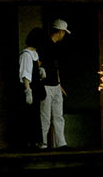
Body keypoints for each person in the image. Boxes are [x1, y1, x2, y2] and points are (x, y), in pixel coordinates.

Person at [20, 19, 71, 149]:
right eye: (63, 32)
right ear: (60, 32)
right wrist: (31, 87)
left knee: (58, 116)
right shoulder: (40, 48)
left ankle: (61, 143)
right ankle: (42, 143)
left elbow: (55, 67)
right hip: (45, 86)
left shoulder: (54, 47)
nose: (63, 35)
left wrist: (59, 84)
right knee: (45, 116)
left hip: (55, 85)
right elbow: (34, 67)